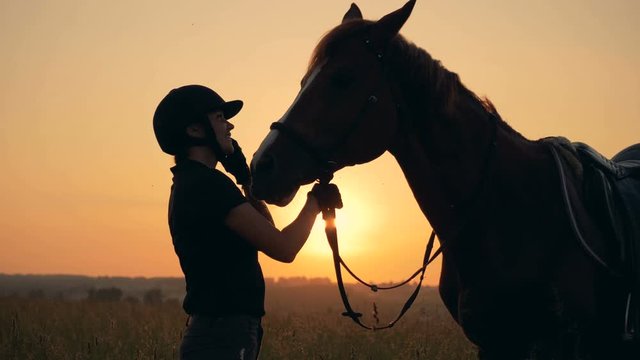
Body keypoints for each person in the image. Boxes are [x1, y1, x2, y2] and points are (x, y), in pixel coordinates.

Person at [152, 84, 341, 360]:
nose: (229, 126)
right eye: (219, 118)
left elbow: (266, 229)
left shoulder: (191, 182)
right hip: (223, 336)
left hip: (220, 333)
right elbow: (283, 247)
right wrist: (314, 202)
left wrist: (245, 181)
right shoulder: (207, 185)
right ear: (195, 130)